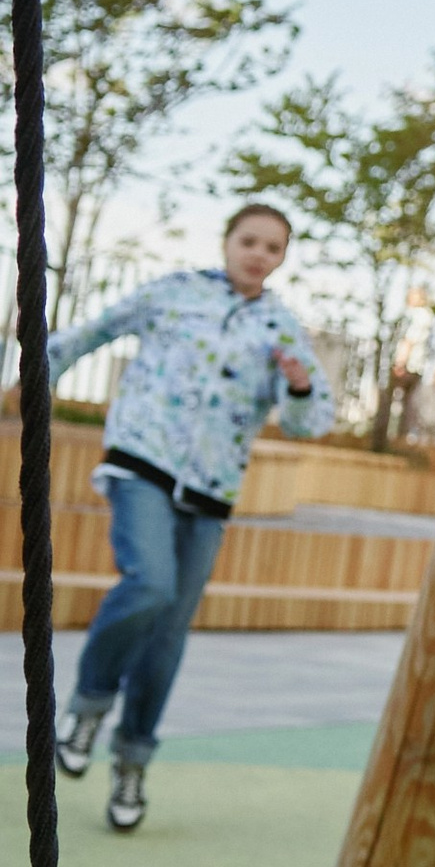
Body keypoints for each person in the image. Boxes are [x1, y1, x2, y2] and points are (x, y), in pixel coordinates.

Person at [46, 205, 332, 831]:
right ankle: (89, 704)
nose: (258, 254)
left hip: (210, 490)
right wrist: (40, 371)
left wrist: (301, 385)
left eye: (273, 248)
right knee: (149, 583)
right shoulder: (174, 293)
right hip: (142, 460)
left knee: (169, 633)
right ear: (227, 241)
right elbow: (96, 330)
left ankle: (132, 763)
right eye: (249, 241)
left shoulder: (281, 327)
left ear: (282, 258)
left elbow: (311, 422)